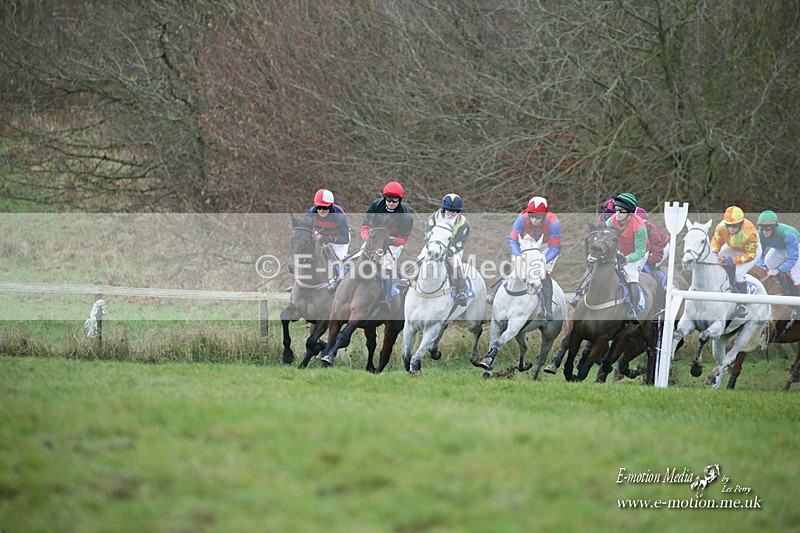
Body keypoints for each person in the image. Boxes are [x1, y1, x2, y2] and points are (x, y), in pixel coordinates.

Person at [489, 196, 561, 318]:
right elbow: (513, 239)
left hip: (546, 246)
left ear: (544, 215)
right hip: (529, 242)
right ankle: (495, 293)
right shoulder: (522, 218)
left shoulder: (553, 222)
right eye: (531, 215)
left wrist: (543, 260)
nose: (534, 219)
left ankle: (546, 307)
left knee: (543, 273)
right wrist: (517, 256)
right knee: (513, 266)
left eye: (538, 217)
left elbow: (555, 248)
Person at [360, 181, 414, 304]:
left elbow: (404, 238)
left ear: (400, 200)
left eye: (394, 201)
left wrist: (392, 241)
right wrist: (367, 238)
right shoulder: (376, 205)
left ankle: (387, 296)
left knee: (387, 265)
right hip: (376, 237)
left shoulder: (405, 215)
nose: (391, 203)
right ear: (384, 198)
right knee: (360, 257)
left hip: (392, 241)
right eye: (388, 200)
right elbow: (365, 226)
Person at [419, 194, 471, 305]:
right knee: (420, 256)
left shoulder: (464, 223)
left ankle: (462, 291)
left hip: (453, 248)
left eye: (454, 212)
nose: (451, 214)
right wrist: (431, 245)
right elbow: (428, 233)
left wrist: (450, 251)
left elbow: (460, 242)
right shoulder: (433, 218)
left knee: (456, 263)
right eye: (449, 212)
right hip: (434, 246)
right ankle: (408, 280)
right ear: (443, 209)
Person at [710, 205, 761, 317]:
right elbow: (716, 241)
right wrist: (714, 252)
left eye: (735, 226)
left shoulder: (749, 233)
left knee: (739, 273)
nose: (731, 229)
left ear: (741, 224)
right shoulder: (721, 227)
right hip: (733, 246)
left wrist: (733, 260)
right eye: (729, 226)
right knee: (716, 260)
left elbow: (750, 254)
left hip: (751, 252)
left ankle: (741, 303)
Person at [606, 193, 649, 320]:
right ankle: (580, 294)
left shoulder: (639, 227)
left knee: (630, 275)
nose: (617, 213)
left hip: (636, 254)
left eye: (621, 211)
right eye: (616, 209)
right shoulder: (612, 220)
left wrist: (626, 259)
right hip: (618, 250)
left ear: (629, 212)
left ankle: (633, 310)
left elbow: (640, 252)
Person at [305, 189, 350, 291]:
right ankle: (303, 281)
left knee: (338, 259)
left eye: (324, 207)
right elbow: (307, 229)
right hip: (320, 235)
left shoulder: (339, 215)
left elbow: (345, 238)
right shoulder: (311, 213)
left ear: (330, 206)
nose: (321, 210)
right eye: (319, 207)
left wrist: (328, 239)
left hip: (338, 239)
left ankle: (341, 282)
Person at [756, 210, 800, 296]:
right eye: (762, 228)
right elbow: (760, 254)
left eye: (768, 228)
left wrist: (777, 270)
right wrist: (760, 265)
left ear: (774, 227)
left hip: (796, 247)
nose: (765, 231)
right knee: (766, 266)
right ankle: (781, 290)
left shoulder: (788, 235)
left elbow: (793, 259)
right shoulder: (760, 234)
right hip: (780, 248)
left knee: (796, 275)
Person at [635, 207, 670, 282]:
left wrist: (647, 260)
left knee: (650, 265)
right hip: (648, 248)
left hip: (662, 247)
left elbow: (657, 255)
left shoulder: (653, 233)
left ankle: (663, 284)